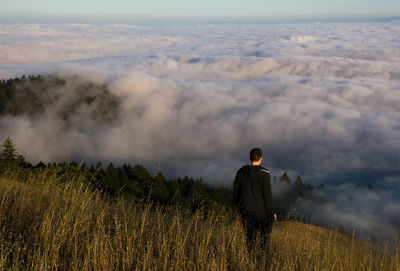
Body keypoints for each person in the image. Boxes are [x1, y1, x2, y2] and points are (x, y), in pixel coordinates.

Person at [233, 147, 275, 251]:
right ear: (261, 158)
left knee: (250, 242)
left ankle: (249, 263)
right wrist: (271, 214)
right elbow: (267, 196)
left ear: (250, 158)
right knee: (264, 243)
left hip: (246, 212)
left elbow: (235, 194)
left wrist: (239, 210)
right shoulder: (264, 173)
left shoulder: (241, 172)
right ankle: (262, 263)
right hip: (262, 214)